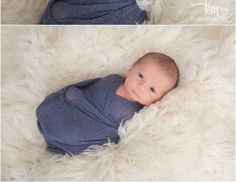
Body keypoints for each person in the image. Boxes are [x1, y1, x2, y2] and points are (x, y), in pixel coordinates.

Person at [36, 52, 179, 155]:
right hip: (72, 107)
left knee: (71, 132)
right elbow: (88, 89)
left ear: (157, 100)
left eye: (152, 89)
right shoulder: (114, 79)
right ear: (132, 67)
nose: (141, 86)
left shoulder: (134, 115)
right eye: (141, 76)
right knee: (71, 95)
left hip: (81, 130)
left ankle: (59, 134)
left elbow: (110, 135)